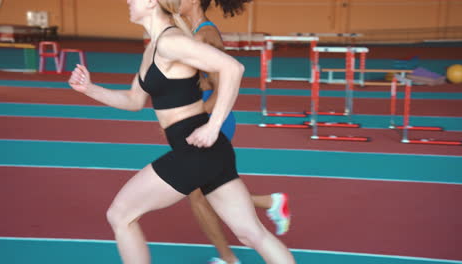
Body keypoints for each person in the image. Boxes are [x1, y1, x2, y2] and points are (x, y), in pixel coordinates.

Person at [68, 0, 296, 263]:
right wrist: (90, 89)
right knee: (252, 234)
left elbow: (233, 68)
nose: (128, 1)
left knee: (120, 215)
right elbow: (133, 101)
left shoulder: (170, 42)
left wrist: (213, 126)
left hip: (196, 150)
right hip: (207, 152)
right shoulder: (153, 48)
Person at [179, 1, 291, 263]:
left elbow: (221, 89)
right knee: (207, 193)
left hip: (212, 119)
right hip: (205, 116)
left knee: (197, 196)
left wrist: (193, 118)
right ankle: (269, 203)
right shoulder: (193, 32)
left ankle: (229, 258)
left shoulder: (206, 35)